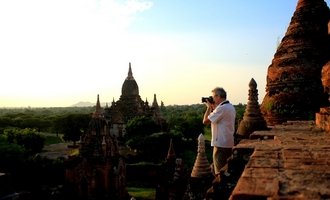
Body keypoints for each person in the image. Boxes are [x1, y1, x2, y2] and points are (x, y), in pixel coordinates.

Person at [202, 87, 236, 176]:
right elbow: (218, 117)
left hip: (220, 144)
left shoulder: (222, 109)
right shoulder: (230, 107)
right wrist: (213, 107)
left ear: (218, 96)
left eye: (213, 96)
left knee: (219, 173)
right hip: (228, 143)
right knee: (226, 170)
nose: (212, 99)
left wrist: (209, 108)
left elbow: (205, 121)